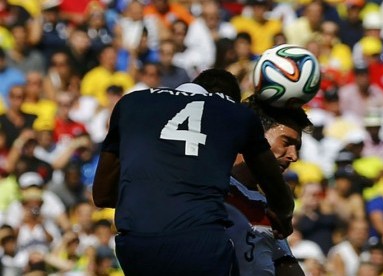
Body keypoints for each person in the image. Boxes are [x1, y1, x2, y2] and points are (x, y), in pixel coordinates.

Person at [92, 69, 295, 275]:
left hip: (135, 246)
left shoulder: (131, 103)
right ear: (229, 99)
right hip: (200, 244)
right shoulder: (236, 114)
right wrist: (284, 217)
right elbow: (279, 196)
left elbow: (102, 195)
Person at [226, 95, 313, 276]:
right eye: (286, 143)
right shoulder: (211, 189)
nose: (293, 156)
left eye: (297, 148)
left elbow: (288, 268)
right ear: (254, 133)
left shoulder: (271, 208)